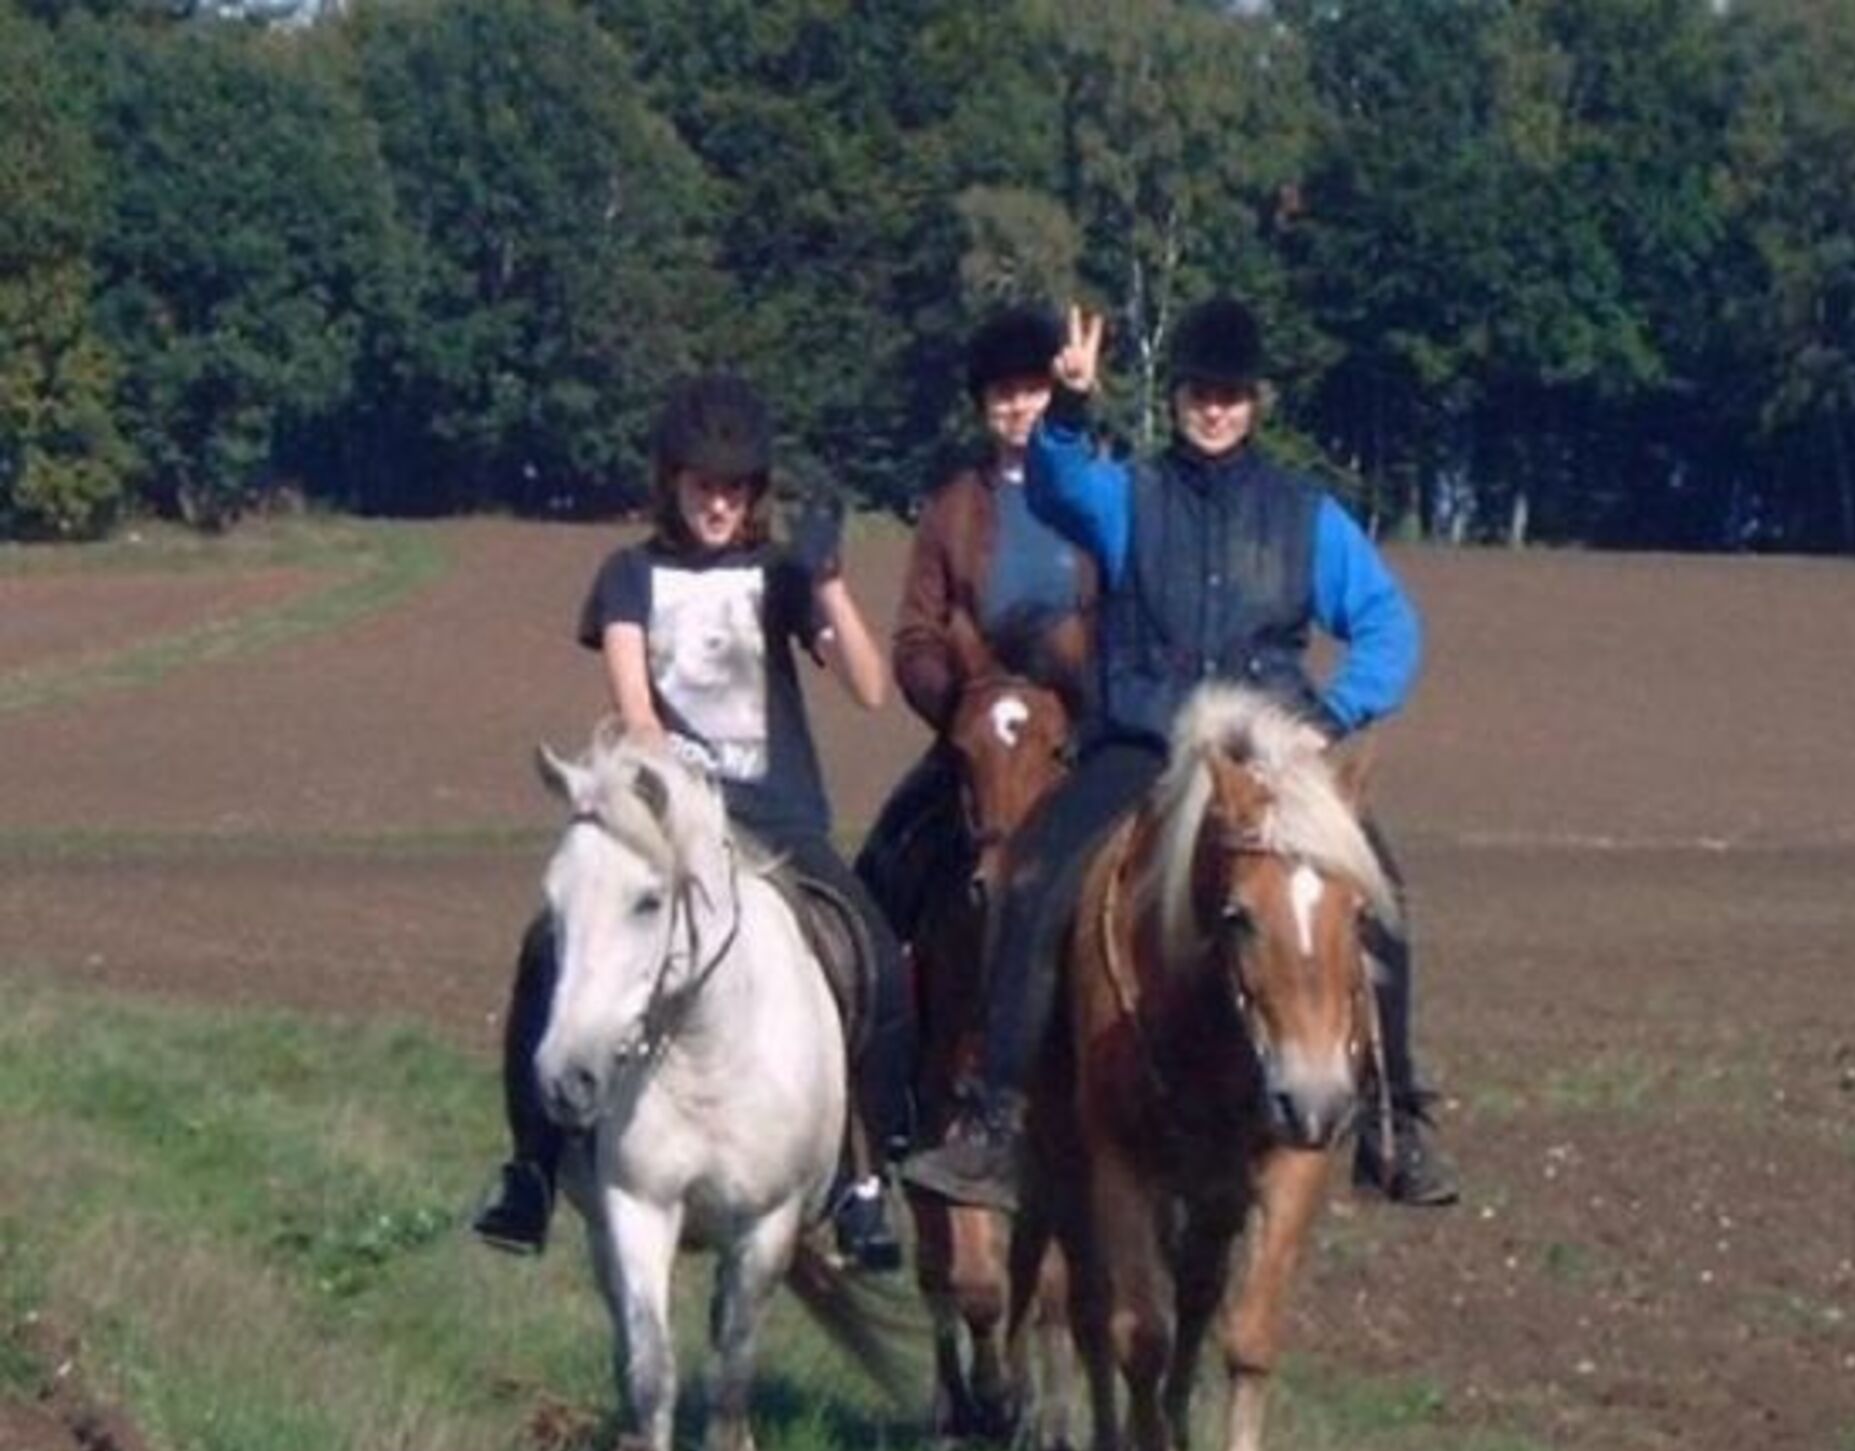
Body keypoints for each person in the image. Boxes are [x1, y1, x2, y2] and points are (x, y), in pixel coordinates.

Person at [899, 296, 1457, 1211]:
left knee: (1379, 896)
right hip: (1146, 747)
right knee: (1033, 885)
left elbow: (1389, 625)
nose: (1214, 410)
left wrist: (1332, 714)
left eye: (1230, 395)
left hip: (1270, 760)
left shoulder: (1307, 517)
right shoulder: (1127, 497)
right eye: (1200, 393)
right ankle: (995, 1125)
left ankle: (1396, 1124)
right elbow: (1055, 489)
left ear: (1255, 403)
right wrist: (1070, 407)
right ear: (1178, 399)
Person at [472, 372, 914, 1270]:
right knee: (548, 949)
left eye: (735, 489)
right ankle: (531, 1169)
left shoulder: (779, 577)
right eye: (704, 486)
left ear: (755, 493)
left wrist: (828, 584)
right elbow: (637, 714)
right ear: (672, 482)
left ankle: (866, 1181)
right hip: (667, 822)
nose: (719, 504)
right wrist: (681, 803)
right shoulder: (628, 578)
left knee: (877, 959)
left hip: (782, 822)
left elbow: (872, 690)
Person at [855, 303, 1097, 937]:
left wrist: (1086, 700)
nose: (1019, 407)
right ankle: (884, 981)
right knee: (888, 852)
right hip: (977, 729)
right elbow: (916, 636)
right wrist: (961, 709)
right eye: (1003, 394)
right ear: (984, 405)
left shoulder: (1098, 494)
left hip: (1079, 726)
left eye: (1033, 390)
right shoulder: (950, 510)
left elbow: (1122, 617)